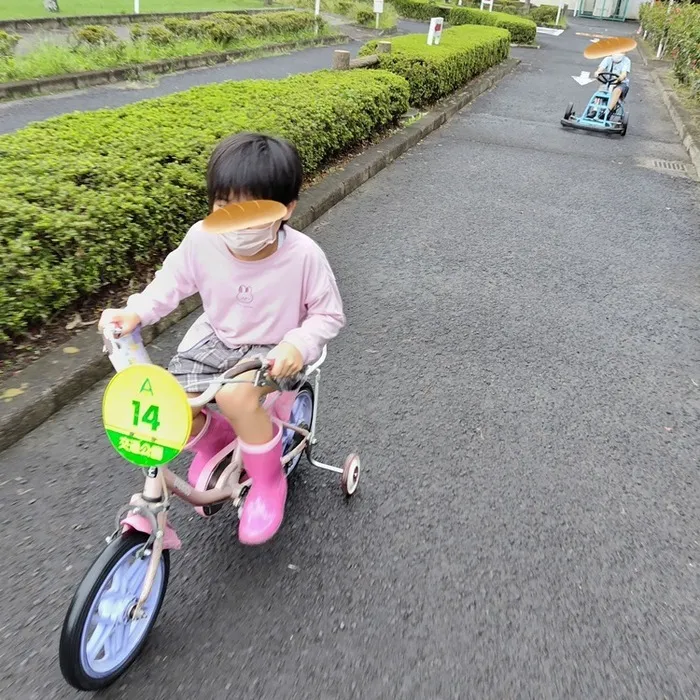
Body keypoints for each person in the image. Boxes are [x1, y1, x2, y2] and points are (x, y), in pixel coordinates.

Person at [99, 133, 346, 545]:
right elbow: (172, 282)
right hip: (219, 340)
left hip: (276, 349)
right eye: (222, 205)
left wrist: (297, 345)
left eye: (250, 210)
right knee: (168, 400)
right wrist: (136, 310)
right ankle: (216, 441)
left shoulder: (304, 256)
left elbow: (328, 314)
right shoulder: (203, 239)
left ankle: (268, 483)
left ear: (286, 210)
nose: (234, 221)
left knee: (234, 396)